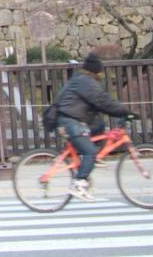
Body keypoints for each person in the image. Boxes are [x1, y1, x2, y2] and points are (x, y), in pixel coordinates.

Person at [53, 51, 136, 201]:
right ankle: (79, 183)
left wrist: (115, 110)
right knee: (90, 152)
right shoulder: (86, 82)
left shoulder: (81, 79)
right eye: (100, 72)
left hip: (72, 119)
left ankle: (91, 160)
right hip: (71, 121)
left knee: (99, 126)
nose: (101, 75)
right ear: (95, 71)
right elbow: (102, 101)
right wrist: (125, 112)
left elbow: (99, 103)